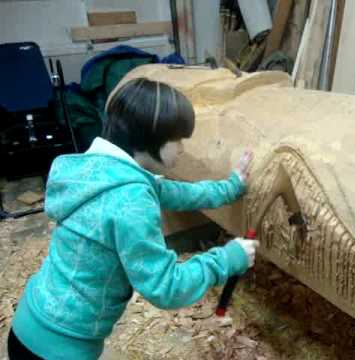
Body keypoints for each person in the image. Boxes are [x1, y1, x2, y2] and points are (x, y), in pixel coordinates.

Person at [7, 77, 259, 359]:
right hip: (60, 349)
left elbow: (175, 192)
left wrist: (232, 186)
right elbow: (166, 287)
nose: (182, 149)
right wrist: (228, 258)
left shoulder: (99, 170)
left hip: (29, 324)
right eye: (177, 140)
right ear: (149, 139)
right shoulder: (131, 201)